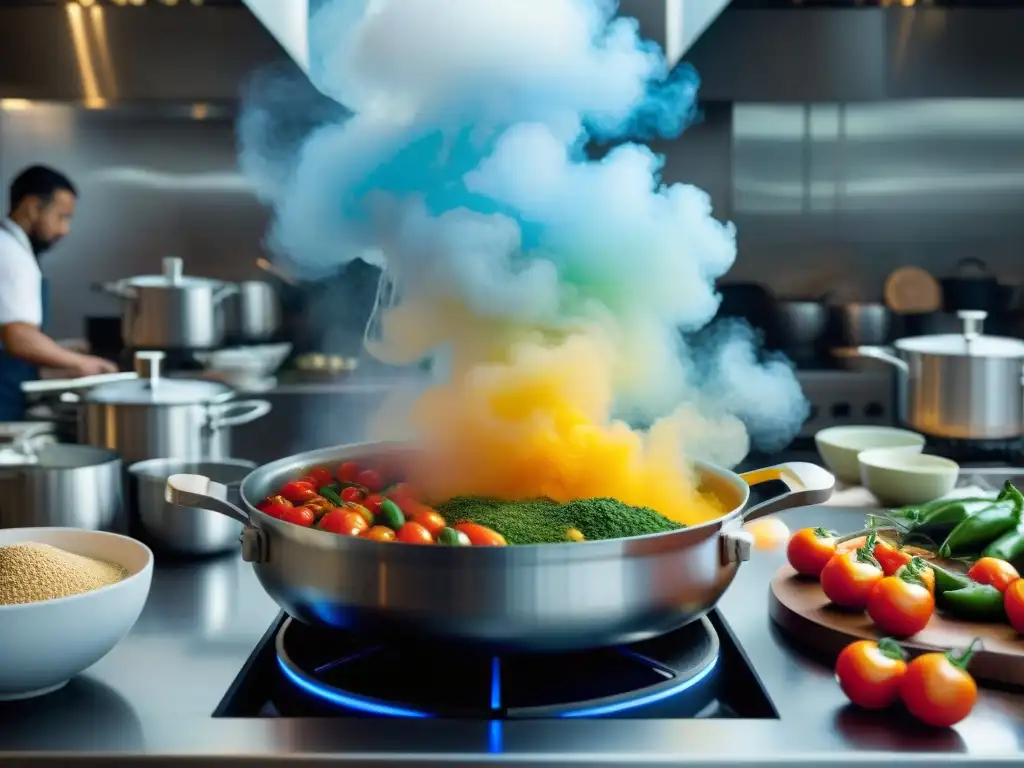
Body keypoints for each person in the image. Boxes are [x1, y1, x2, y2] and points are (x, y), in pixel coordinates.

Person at [0, 165, 117, 421]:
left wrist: (62, 350)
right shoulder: (11, 256)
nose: (65, 230)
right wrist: (80, 364)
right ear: (33, 207)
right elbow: (18, 337)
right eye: (61, 216)